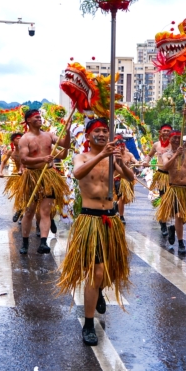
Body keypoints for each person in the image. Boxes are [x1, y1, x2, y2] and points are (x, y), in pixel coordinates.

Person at [57, 118, 132, 346]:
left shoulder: (112, 157)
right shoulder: (82, 157)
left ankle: (98, 291)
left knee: (107, 269)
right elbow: (78, 173)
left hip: (111, 219)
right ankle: (89, 323)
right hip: (90, 219)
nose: (101, 134)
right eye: (97, 131)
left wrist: (119, 162)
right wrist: (102, 155)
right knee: (96, 271)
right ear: (88, 136)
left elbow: (130, 178)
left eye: (105, 130)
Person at [15, 109, 71, 255]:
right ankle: (25, 242)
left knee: (45, 211)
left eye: (40, 117)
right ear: (28, 120)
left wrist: (68, 131)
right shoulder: (24, 139)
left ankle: (43, 242)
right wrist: (42, 159)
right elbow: (24, 160)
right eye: (36, 117)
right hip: (32, 177)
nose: (40, 119)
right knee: (29, 211)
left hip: (48, 176)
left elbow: (66, 144)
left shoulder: (49, 135)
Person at [155, 107, 186, 256]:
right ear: (169, 140)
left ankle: (173, 229)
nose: (177, 140)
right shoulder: (167, 154)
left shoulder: (185, 149)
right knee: (179, 215)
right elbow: (165, 166)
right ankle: (180, 242)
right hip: (175, 188)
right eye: (174, 138)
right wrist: (175, 155)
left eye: (179, 138)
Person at [146, 123, 174, 236]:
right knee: (164, 198)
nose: (166, 133)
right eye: (164, 130)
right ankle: (163, 222)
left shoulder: (175, 144)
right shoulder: (156, 145)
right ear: (160, 132)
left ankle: (168, 220)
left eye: (168, 131)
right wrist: (145, 162)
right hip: (162, 175)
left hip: (174, 175)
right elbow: (149, 155)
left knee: (172, 200)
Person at [0, 132, 24, 222]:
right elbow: (3, 162)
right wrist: (0, 171)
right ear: (13, 141)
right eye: (18, 139)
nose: (20, 140)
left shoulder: (26, 150)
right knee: (20, 194)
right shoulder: (11, 152)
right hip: (19, 176)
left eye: (21, 138)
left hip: (29, 174)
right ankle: (20, 210)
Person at [114, 135, 137, 224]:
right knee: (121, 198)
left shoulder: (129, 154)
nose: (122, 148)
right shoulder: (114, 155)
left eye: (123, 146)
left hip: (127, 179)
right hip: (118, 179)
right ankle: (121, 216)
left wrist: (137, 163)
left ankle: (118, 208)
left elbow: (135, 160)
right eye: (120, 146)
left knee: (122, 199)